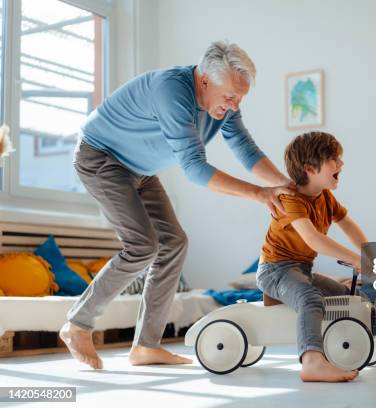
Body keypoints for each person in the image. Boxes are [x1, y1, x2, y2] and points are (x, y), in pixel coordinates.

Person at [60, 41, 294, 370]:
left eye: (240, 98)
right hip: (100, 157)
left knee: (175, 242)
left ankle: (146, 346)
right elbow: (196, 169)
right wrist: (258, 194)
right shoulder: (171, 92)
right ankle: (77, 324)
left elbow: (243, 145)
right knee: (142, 246)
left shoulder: (224, 102)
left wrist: (284, 185)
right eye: (229, 97)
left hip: (139, 170)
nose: (233, 105)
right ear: (204, 81)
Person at [256, 131, 376, 383]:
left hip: (301, 269)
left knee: (356, 298)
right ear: (309, 168)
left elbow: (347, 223)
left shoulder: (325, 197)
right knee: (310, 299)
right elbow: (314, 239)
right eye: (334, 159)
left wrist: (368, 255)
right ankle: (312, 362)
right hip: (275, 270)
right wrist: (355, 259)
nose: (341, 164)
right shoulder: (290, 199)